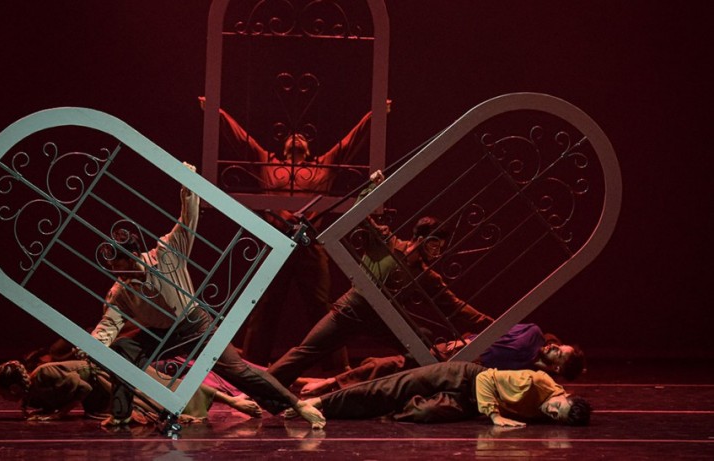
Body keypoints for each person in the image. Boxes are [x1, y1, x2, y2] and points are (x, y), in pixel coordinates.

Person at [88, 162, 325, 429]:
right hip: (161, 334)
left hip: (196, 324)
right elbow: (109, 325)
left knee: (237, 370)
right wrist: (95, 345)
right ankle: (122, 414)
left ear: (131, 256)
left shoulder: (166, 254)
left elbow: (187, 220)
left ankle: (296, 404)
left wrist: (188, 187)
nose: (117, 275)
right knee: (122, 349)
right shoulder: (120, 292)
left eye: (119, 267)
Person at [266, 171, 494, 388]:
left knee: (423, 343)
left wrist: (494, 326)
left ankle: (384, 384)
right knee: (307, 351)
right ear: (422, 238)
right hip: (352, 308)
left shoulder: (425, 276)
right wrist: (370, 188)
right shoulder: (386, 242)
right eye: (435, 245)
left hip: (383, 319)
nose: (437, 253)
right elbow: (359, 215)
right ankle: (260, 387)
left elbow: (457, 307)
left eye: (441, 248)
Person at [201, 96, 382, 367]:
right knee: (264, 306)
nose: (296, 137)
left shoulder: (321, 166)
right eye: (291, 136)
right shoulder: (269, 163)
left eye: (301, 136)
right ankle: (252, 368)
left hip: (310, 244)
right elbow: (242, 140)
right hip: (277, 242)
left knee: (322, 308)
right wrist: (215, 111)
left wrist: (376, 114)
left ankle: (339, 368)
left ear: (308, 148)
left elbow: (350, 142)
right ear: (284, 147)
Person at [299, 323, 586, 396]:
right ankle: (328, 383)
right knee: (394, 365)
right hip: (454, 354)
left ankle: (329, 382)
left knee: (393, 378)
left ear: (559, 367)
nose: (555, 348)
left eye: (561, 353)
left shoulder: (533, 376)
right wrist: (457, 344)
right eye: (559, 346)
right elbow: (491, 330)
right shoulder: (532, 334)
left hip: (458, 376)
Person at [294, 361, 592, 427]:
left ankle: (376, 408)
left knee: (423, 413)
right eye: (557, 407)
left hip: (469, 403)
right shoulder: (535, 382)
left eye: (557, 417)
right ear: (563, 394)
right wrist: (495, 415)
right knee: (391, 387)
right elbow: (488, 378)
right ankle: (318, 403)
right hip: (465, 377)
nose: (551, 412)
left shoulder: (548, 412)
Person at [0, 359, 262, 423]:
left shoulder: (45, 374)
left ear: (13, 387)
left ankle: (233, 400)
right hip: (100, 394)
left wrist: (57, 416)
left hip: (105, 380)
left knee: (159, 391)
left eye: (3, 393)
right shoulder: (32, 393)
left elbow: (81, 388)